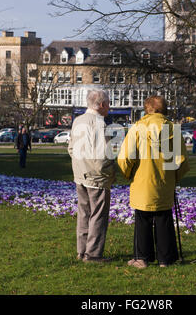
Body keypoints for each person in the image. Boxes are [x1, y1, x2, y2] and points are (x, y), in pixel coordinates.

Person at [117, 96, 190, 269]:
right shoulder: (172, 128)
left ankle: (142, 257)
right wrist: (173, 178)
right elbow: (182, 161)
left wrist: (128, 174)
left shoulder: (138, 128)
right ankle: (166, 259)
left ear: (148, 109)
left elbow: (126, 156)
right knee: (164, 218)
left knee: (143, 218)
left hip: (143, 180)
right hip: (164, 181)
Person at [68, 90, 116, 263]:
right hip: (96, 176)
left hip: (80, 174)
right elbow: (104, 156)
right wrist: (110, 173)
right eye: (108, 103)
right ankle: (93, 254)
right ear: (102, 105)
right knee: (97, 215)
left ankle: (82, 251)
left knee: (84, 213)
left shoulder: (78, 120)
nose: (109, 107)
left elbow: (71, 148)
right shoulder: (100, 124)